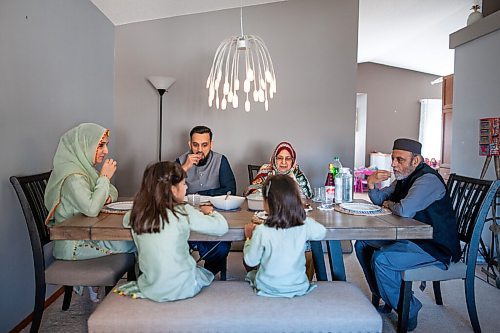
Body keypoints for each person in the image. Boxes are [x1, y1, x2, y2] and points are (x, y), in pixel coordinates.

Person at [354, 138, 461, 331]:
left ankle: (409, 309)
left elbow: (403, 210)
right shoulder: (404, 178)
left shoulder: (427, 180)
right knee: (362, 243)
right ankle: (385, 295)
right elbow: (380, 198)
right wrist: (371, 183)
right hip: (411, 236)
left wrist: (388, 204)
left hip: (433, 244)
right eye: (393, 159)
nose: (394, 164)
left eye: (399, 160)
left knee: (382, 259)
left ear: (416, 160)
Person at [44, 123, 136, 301]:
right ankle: (141, 297)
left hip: (87, 234)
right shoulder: (73, 178)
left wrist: (103, 191)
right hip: (73, 244)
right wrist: (104, 178)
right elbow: (93, 209)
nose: (106, 151)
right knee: (140, 242)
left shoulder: (85, 170)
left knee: (137, 240)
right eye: (101, 145)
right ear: (83, 145)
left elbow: (113, 192)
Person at [114, 162, 228, 302]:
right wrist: (211, 212)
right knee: (204, 272)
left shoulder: (137, 213)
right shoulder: (184, 211)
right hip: (184, 287)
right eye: (184, 184)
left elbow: (126, 221)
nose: (186, 188)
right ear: (173, 190)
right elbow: (222, 227)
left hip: (152, 287)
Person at [243, 174, 326, 297]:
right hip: (298, 287)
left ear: (267, 202)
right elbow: (322, 232)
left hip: (268, 288)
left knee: (251, 274)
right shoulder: (304, 225)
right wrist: (305, 218)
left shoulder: (262, 231)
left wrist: (249, 238)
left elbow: (250, 260)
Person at [176, 125, 235, 276]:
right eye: (195, 145)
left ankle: (206, 273)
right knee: (176, 242)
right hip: (186, 218)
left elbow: (230, 190)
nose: (199, 150)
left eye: (204, 145)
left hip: (213, 216)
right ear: (190, 144)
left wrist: (199, 194)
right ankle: (188, 272)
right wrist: (185, 167)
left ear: (211, 144)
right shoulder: (181, 161)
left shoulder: (221, 160)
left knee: (221, 247)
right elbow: (167, 190)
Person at [245, 141, 312, 199]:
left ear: (293, 161)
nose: (283, 162)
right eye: (280, 158)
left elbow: (308, 197)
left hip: (292, 210)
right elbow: (251, 192)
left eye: (288, 158)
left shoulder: (297, 174)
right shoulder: (266, 169)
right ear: (274, 159)